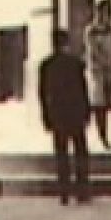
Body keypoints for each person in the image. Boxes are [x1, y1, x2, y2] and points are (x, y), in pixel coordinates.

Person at [39, 29, 92, 205]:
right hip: (75, 113)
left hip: (58, 115)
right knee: (80, 152)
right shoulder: (75, 63)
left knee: (61, 154)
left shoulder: (46, 66)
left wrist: (46, 116)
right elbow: (82, 90)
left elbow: (43, 94)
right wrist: (86, 111)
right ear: (66, 43)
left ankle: (64, 192)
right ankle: (82, 190)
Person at [83, 0, 111, 150]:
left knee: (108, 104)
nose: (104, 16)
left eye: (107, 13)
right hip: (97, 72)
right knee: (99, 105)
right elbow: (92, 51)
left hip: (109, 71)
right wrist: (104, 62)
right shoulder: (91, 30)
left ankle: (105, 135)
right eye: (101, 12)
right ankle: (102, 136)